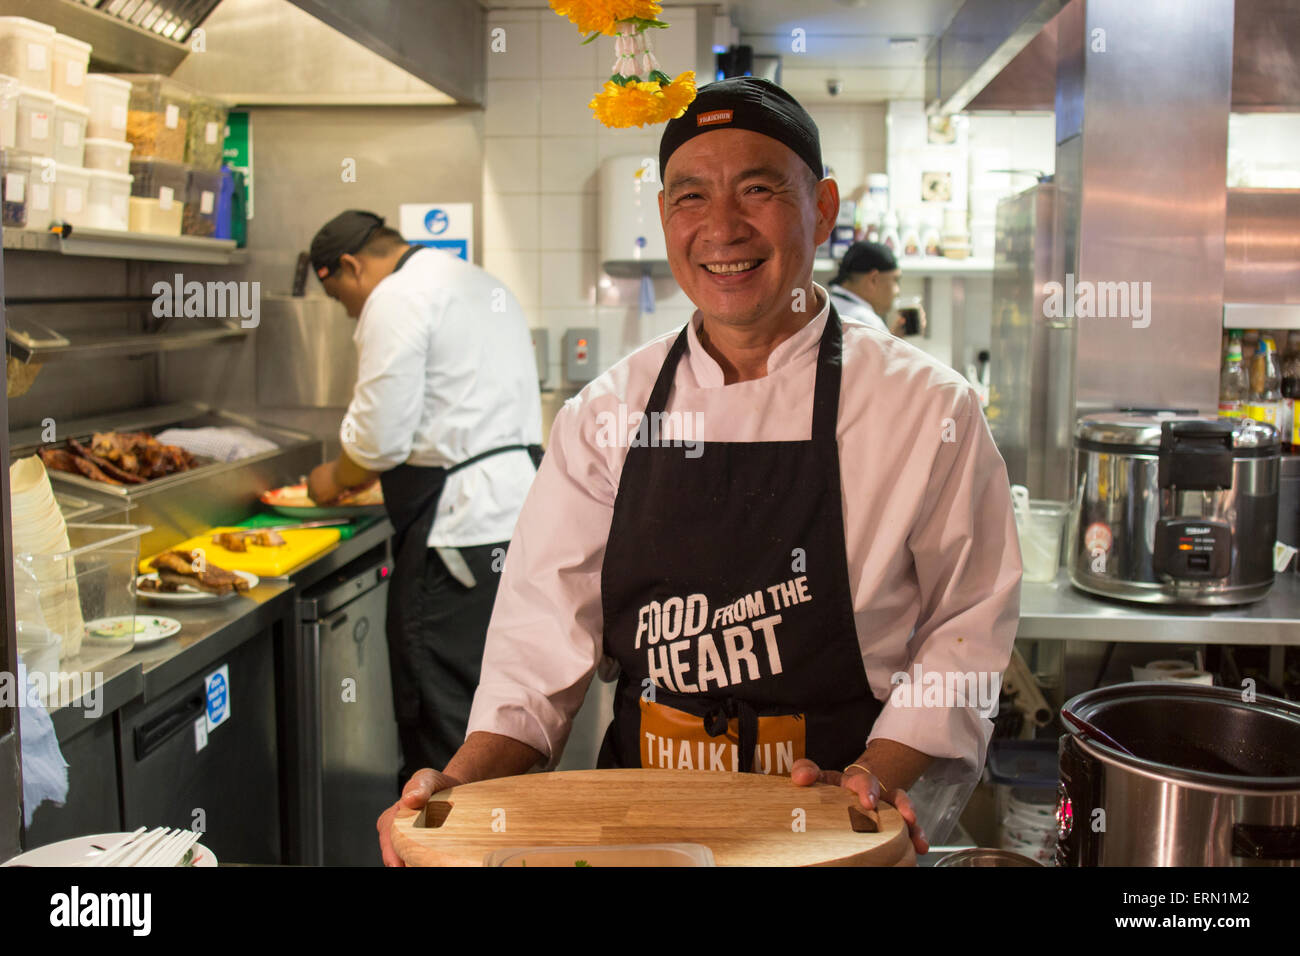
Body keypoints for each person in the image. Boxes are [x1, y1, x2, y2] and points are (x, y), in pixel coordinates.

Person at [377, 79, 1021, 865]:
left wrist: (877, 778)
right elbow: (535, 651)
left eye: (758, 189)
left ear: (821, 209)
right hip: (642, 834)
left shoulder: (925, 409)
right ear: (663, 218)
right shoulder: (605, 416)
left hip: (833, 826)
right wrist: (457, 786)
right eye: (691, 196)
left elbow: (966, 631)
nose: (722, 226)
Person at [305, 210, 544, 789]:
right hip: (513, 522)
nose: (351, 311)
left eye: (341, 297)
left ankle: (446, 852)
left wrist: (330, 480)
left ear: (350, 266)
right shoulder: (478, 282)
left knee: (443, 724)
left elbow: (378, 440)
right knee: (496, 718)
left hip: (456, 538)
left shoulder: (396, 295)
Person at [827, 240, 926, 337]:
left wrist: (893, 338)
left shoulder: (826, 308)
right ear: (873, 279)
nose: (897, 291)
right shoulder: (866, 322)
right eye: (895, 280)